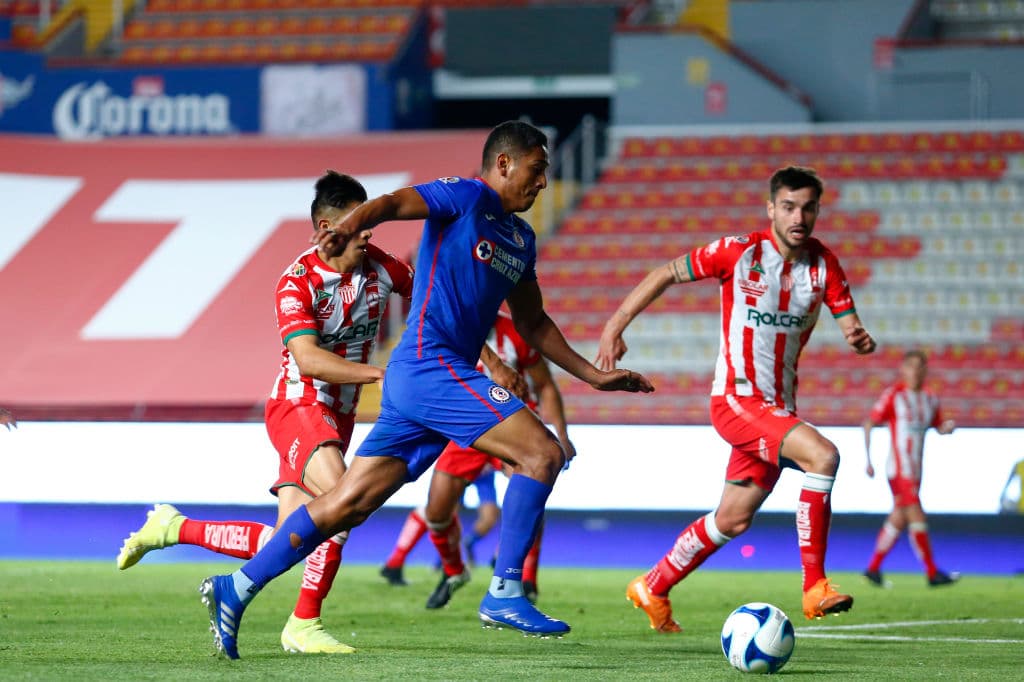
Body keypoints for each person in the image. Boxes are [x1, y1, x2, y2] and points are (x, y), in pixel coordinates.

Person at [198, 120, 652, 659]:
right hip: (428, 366)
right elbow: (392, 203)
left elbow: (533, 324)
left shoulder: (521, 239)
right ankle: (505, 589)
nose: (544, 183)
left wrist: (594, 376)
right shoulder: (464, 197)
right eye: (537, 170)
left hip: (432, 380)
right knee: (542, 453)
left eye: (548, 173)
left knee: (348, 504)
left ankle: (237, 587)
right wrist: (349, 225)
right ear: (504, 164)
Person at [116, 171, 415, 654]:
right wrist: (383, 376)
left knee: (291, 536)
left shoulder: (380, 267)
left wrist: (481, 352)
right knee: (345, 498)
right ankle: (303, 622)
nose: (369, 232)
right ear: (325, 227)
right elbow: (309, 359)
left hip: (338, 417)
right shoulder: (296, 282)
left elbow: (426, 303)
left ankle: (173, 527)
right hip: (298, 405)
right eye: (359, 223)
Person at [597, 165, 877, 632]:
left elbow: (848, 320)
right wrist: (614, 326)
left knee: (732, 518)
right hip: (735, 401)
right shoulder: (738, 252)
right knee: (823, 457)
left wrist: (856, 336)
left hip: (777, 409)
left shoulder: (823, 265)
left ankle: (654, 584)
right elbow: (667, 272)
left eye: (808, 207)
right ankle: (814, 586)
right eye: (788, 206)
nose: (799, 216)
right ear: (771, 208)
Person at [381, 309, 576, 610]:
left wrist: (562, 434)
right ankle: (454, 570)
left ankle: (525, 580)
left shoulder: (515, 331)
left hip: (513, 426)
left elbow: (545, 384)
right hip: (465, 429)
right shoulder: (447, 329)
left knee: (528, 494)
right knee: (436, 512)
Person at [862, 349, 958, 587]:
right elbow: (869, 423)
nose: (915, 371)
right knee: (916, 513)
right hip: (898, 469)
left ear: (925, 371)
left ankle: (873, 569)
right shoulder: (894, 396)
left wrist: (946, 428)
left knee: (899, 517)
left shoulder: (929, 399)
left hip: (916, 470)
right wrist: (868, 459)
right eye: (910, 366)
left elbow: (938, 425)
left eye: (919, 367)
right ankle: (932, 572)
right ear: (903, 369)